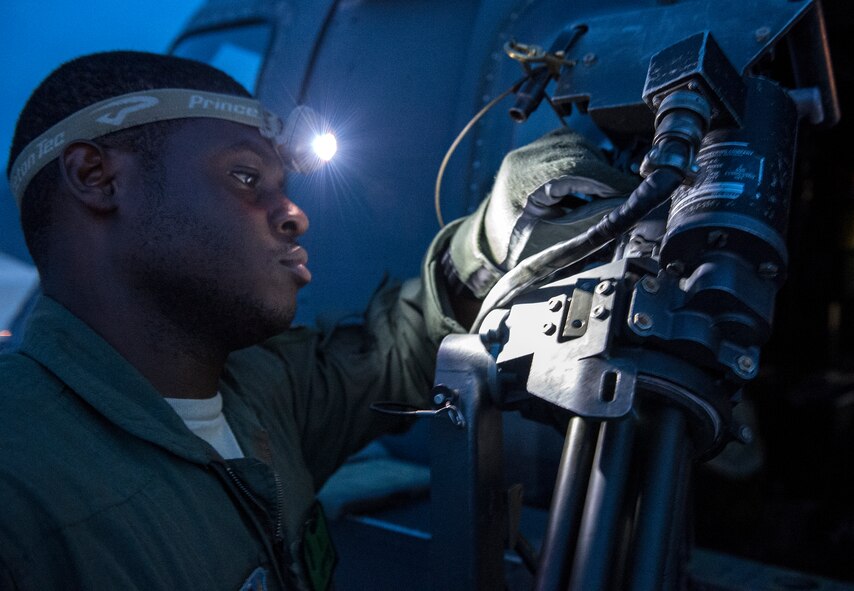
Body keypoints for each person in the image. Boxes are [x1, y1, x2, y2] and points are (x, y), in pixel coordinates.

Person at [0, 51, 636, 590]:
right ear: (95, 176)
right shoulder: (19, 480)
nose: (295, 215)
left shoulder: (262, 392)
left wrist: (493, 241)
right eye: (246, 176)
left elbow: (395, 349)